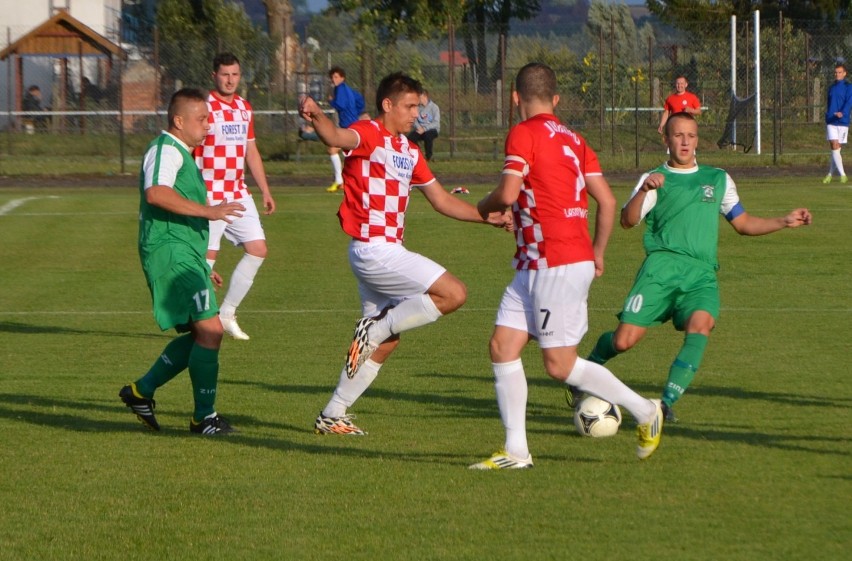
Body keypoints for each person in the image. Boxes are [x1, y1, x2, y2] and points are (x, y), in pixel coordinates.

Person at [469, 62, 664, 470]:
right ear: (556, 99)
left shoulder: (523, 132)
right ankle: (516, 451)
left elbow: (507, 192)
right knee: (502, 346)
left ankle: (645, 410)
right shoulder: (576, 140)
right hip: (541, 262)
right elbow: (607, 202)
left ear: (515, 98)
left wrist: (482, 209)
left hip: (552, 261)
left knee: (560, 365)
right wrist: (598, 251)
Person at [298, 71, 513, 437]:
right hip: (373, 249)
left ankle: (333, 413)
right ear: (388, 105)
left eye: (418, 105)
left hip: (384, 251)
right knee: (453, 293)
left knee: (388, 342)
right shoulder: (368, 133)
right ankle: (374, 328)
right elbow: (336, 137)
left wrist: (485, 217)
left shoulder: (410, 152)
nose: (417, 113)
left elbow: (443, 200)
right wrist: (318, 116)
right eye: (410, 106)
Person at [580, 111, 812, 423]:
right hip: (659, 271)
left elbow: (742, 223)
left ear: (697, 139)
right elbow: (627, 220)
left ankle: (663, 406)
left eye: (690, 135)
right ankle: (587, 370)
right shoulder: (655, 179)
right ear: (666, 139)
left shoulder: (717, 179)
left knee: (701, 325)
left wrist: (783, 221)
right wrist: (646, 191)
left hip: (700, 275)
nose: (685, 141)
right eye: (678, 135)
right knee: (624, 341)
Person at [119, 88, 245, 435]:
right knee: (211, 329)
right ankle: (203, 418)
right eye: (201, 119)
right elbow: (156, 193)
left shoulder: (182, 153)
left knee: (202, 332)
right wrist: (209, 211)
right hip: (170, 252)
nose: (208, 125)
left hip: (184, 254)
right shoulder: (165, 150)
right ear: (179, 121)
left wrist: (202, 264)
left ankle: (141, 391)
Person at [196, 52, 276, 341]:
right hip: (209, 192)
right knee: (207, 259)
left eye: (235, 75)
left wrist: (265, 189)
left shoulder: (245, 108)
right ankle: (199, 321)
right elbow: (192, 147)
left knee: (258, 249)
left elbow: (250, 150)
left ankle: (226, 313)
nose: (230, 80)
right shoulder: (203, 107)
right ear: (214, 76)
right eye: (224, 74)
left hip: (238, 190)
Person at [325, 66, 366, 193]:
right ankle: (345, 181)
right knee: (351, 154)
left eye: (336, 77)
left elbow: (341, 105)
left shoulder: (340, 89)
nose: (334, 79)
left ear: (342, 78)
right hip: (352, 124)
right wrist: (355, 112)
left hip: (348, 126)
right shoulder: (347, 89)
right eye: (332, 77)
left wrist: (331, 102)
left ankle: (340, 180)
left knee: (332, 149)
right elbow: (360, 101)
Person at [822, 62, 852, 184]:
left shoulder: (848, 87)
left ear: (844, 73)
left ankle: (829, 174)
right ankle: (843, 175)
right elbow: (829, 103)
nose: (837, 74)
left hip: (843, 121)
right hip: (831, 121)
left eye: (839, 72)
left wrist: (842, 113)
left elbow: (849, 102)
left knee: (836, 151)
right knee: (834, 145)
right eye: (835, 72)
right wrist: (829, 114)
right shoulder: (831, 88)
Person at [406, 89, 440, 161]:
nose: (418, 99)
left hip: (432, 129)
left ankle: (429, 156)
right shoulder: (418, 107)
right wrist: (419, 128)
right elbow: (414, 119)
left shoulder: (434, 107)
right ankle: (419, 156)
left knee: (428, 136)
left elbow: (436, 123)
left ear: (425, 97)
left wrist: (424, 129)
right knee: (411, 137)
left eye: (419, 97)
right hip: (420, 129)